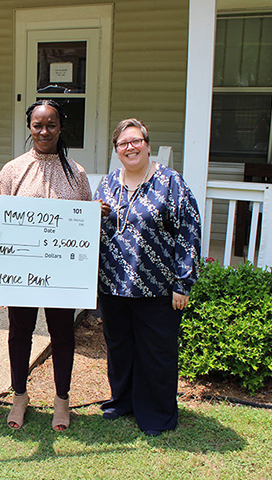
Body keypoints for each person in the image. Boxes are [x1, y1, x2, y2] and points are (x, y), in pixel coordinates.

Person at [95, 118, 201, 437]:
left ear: (147, 143)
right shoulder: (108, 183)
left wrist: (183, 283)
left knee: (157, 352)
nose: (131, 147)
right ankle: (123, 401)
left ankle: (157, 413)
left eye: (136, 140)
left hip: (157, 287)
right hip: (113, 286)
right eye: (124, 143)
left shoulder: (171, 182)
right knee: (120, 348)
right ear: (116, 150)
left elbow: (189, 232)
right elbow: (95, 230)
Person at [0, 100, 92, 431]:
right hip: (21, 270)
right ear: (29, 127)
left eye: (51, 124)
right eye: (38, 125)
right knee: (19, 334)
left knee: (62, 334)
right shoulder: (12, 170)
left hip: (61, 272)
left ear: (60, 127)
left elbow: (85, 224)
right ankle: (19, 395)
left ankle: (61, 401)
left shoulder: (76, 173)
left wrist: (96, 217)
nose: (44, 131)